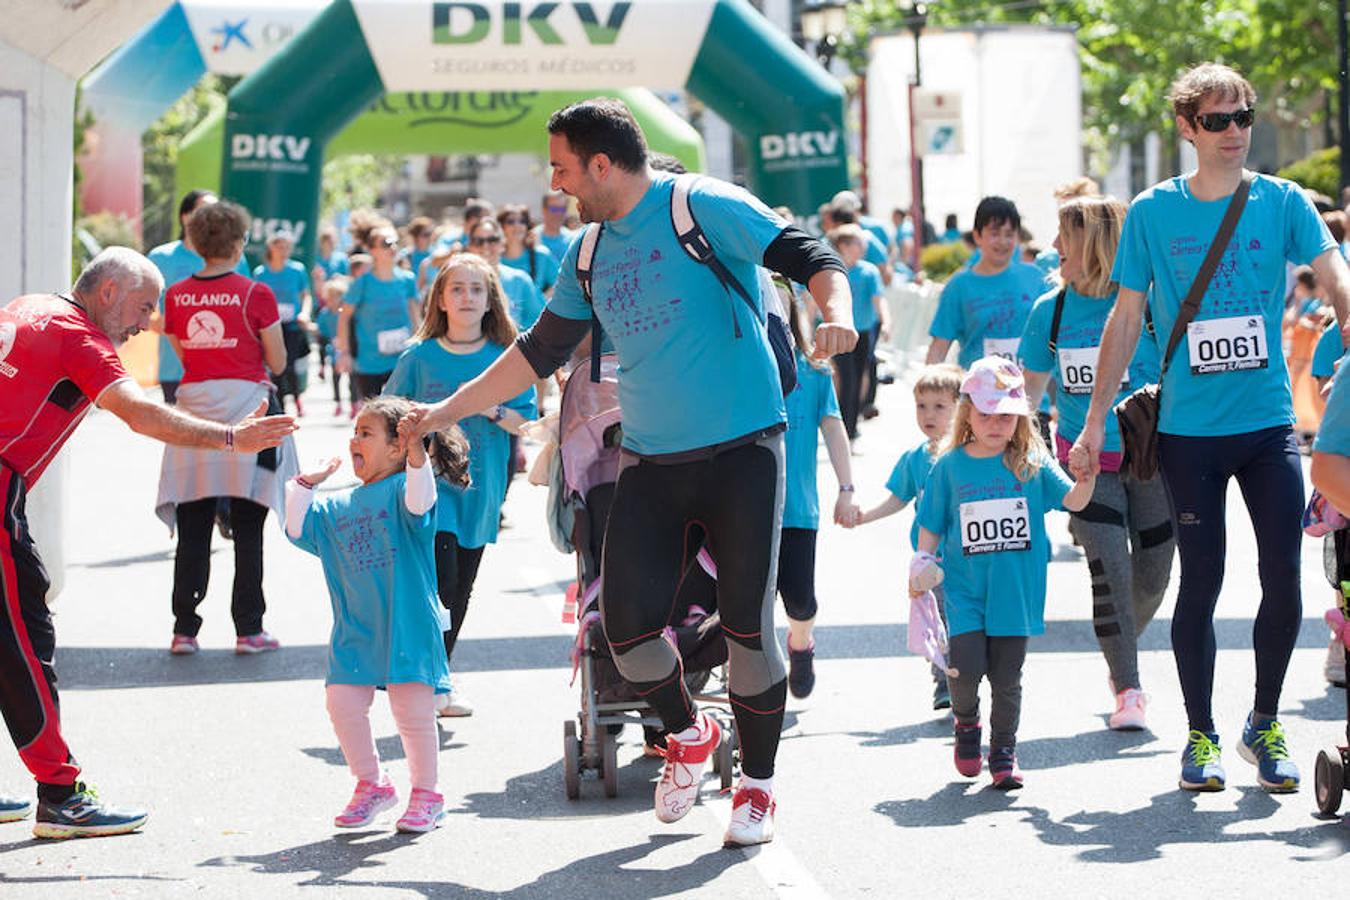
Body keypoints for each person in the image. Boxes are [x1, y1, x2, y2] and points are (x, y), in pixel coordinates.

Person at [408, 97, 856, 846]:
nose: (557, 184)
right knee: (623, 630)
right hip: (649, 459)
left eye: (561, 168)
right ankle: (687, 737)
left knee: (747, 626)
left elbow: (808, 255)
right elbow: (537, 353)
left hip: (745, 448)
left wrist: (834, 309)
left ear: (602, 164)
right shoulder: (587, 252)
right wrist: (443, 410)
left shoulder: (700, 206)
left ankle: (758, 790)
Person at [1071, 63, 1350, 793]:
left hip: (1267, 427)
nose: (1235, 132)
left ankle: (1264, 722)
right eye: (1218, 120)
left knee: (1283, 578)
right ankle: (1201, 736)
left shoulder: (1283, 200)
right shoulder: (1154, 213)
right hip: (1190, 432)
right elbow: (1126, 317)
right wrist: (1095, 420)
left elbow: (1332, 268)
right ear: (1187, 127)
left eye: (1243, 117)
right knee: (1203, 580)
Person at [0, 247, 296, 838]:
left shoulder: (29, 308)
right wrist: (232, 437)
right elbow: (139, 414)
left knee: (22, 633)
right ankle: (61, 794)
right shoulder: (80, 338)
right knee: (24, 643)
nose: (146, 322)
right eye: (142, 305)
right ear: (107, 291)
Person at [1018, 195, 1173, 731]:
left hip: (1151, 459)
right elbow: (1028, 398)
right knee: (1109, 569)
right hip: (1085, 466)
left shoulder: (1147, 306)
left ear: (1099, 243)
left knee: (1154, 573)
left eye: (1066, 237)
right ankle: (1128, 687)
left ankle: (1121, 643)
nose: (1054, 248)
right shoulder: (1050, 312)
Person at [284, 397, 467, 833]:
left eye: (366, 433)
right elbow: (296, 528)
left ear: (397, 447)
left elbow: (422, 496)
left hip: (409, 624)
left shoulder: (406, 493)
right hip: (355, 629)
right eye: (354, 432)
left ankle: (428, 794)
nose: (354, 440)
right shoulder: (337, 505)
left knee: (412, 710)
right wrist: (305, 485)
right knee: (342, 701)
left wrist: (419, 450)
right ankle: (372, 784)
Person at [913, 357, 1095, 788]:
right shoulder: (950, 465)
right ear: (967, 413)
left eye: (1007, 416)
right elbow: (931, 525)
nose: (996, 424)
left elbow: (1074, 501)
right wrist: (922, 565)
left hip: (1016, 591)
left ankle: (1004, 752)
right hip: (964, 591)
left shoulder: (1032, 461)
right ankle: (967, 724)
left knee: (1008, 677)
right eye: (986, 413)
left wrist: (1086, 478)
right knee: (965, 668)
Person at [384, 254, 537, 718]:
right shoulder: (419, 355)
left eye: (476, 289)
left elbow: (524, 424)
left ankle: (436, 675)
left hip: (482, 489)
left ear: (491, 300)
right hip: (429, 488)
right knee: (443, 582)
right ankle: (434, 682)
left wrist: (486, 405)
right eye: (457, 289)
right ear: (441, 300)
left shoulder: (506, 359)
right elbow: (388, 413)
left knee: (461, 587)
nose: (467, 297)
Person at [157, 201, 299, 656]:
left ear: (196, 243)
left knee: (193, 524)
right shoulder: (256, 293)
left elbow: (184, 356)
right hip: (249, 412)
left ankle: (184, 629)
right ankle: (249, 629)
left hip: (194, 414)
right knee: (248, 525)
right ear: (239, 243)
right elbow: (277, 361)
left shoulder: (176, 295)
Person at [851, 363, 963, 709]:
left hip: (973, 557)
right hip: (932, 560)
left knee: (967, 621)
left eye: (939, 406)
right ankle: (943, 681)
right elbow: (898, 498)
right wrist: (865, 516)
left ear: (962, 409)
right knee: (938, 619)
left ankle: (968, 677)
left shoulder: (970, 456)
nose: (928, 414)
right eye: (921, 406)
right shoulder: (915, 459)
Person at [775, 282, 859, 698]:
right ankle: (754, 683)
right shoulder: (731, 369)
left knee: (800, 602)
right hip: (740, 511)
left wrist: (846, 488)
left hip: (796, 510)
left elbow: (833, 426)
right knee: (739, 610)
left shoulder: (812, 372)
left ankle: (800, 643)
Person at [147, 190, 250, 404]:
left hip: (228, 370)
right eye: (205, 210)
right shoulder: (161, 257)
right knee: (184, 437)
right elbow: (140, 310)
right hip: (177, 370)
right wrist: (171, 326)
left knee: (227, 437)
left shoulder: (236, 258)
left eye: (217, 213)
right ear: (185, 217)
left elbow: (247, 310)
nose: (213, 218)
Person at [926, 196, 1052, 369]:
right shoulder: (959, 286)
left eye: (1009, 234)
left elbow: (1054, 338)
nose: (1002, 242)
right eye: (994, 234)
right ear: (977, 236)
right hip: (977, 394)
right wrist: (928, 390)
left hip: (1030, 394)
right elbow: (939, 348)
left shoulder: (1036, 278)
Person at [338, 225, 421, 412]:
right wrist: (344, 352)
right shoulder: (362, 283)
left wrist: (420, 347)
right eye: (385, 243)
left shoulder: (407, 280)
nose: (392, 248)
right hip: (368, 362)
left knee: (402, 415)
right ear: (372, 250)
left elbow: (415, 315)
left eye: (394, 243)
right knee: (373, 417)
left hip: (401, 360)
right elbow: (344, 317)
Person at [829, 224, 888, 441]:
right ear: (843, 246)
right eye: (858, 243)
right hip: (840, 332)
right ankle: (845, 428)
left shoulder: (869, 271)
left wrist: (886, 321)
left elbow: (879, 299)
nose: (863, 247)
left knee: (857, 378)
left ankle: (850, 428)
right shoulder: (833, 269)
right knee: (847, 379)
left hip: (863, 333)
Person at [253, 230, 312, 417]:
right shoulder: (261, 273)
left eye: (287, 247)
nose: (284, 251)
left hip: (292, 325)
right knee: (275, 365)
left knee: (290, 365)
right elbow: (256, 299)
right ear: (271, 247)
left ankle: (296, 398)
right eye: (280, 246)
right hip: (270, 326)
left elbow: (306, 295)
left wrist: (304, 313)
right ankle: (280, 406)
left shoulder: (297, 270)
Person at [466, 217, 545, 331]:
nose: (485, 246)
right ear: (470, 246)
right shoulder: (459, 283)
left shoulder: (520, 280)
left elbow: (539, 324)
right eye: (479, 241)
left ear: (503, 243)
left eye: (492, 240)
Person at [499, 205, 560, 295]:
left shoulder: (541, 255)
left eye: (522, 221)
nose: (517, 226)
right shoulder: (495, 258)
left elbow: (561, 282)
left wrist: (541, 301)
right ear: (501, 227)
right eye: (510, 222)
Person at [315, 275, 348, 410]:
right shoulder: (324, 314)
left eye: (336, 296)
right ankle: (338, 402)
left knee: (352, 377)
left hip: (347, 347)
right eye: (330, 297)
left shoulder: (345, 312)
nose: (333, 300)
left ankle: (354, 402)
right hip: (333, 348)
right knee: (336, 375)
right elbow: (321, 333)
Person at [311, 225, 351, 297]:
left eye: (334, 241)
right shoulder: (313, 259)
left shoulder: (342, 258)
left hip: (336, 299)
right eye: (328, 241)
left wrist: (340, 278)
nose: (332, 244)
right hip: (317, 299)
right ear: (322, 242)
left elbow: (350, 279)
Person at [536, 189, 575, 261]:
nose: (558, 214)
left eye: (562, 209)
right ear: (543, 210)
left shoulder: (573, 241)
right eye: (554, 209)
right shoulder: (532, 239)